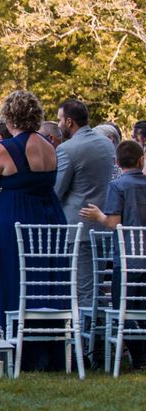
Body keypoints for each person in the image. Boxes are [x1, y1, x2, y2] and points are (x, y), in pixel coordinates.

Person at [0, 90, 67, 371]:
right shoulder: (49, 146)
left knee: (11, 279)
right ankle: (45, 354)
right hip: (47, 221)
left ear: (8, 117)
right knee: (43, 283)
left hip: (13, 223)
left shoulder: (6, 148)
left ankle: (7, 352)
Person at [80, 140, 146, 369]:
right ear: (141, 160)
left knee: (122, 311)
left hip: (127, 262)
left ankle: (140, 357)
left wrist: (98, 216)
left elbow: (114, 223)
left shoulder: (117, 186)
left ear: (118, 162)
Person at [54, 99, 115, 309]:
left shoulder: (67, 149)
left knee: (82, 289)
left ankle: (86, 338)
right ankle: (98, 336)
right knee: (98, 286)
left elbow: (57, 191)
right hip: (104, 224)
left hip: (77, 227)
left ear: (69, 121)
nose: (58, 124)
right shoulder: (107, 144)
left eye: (60, 119)